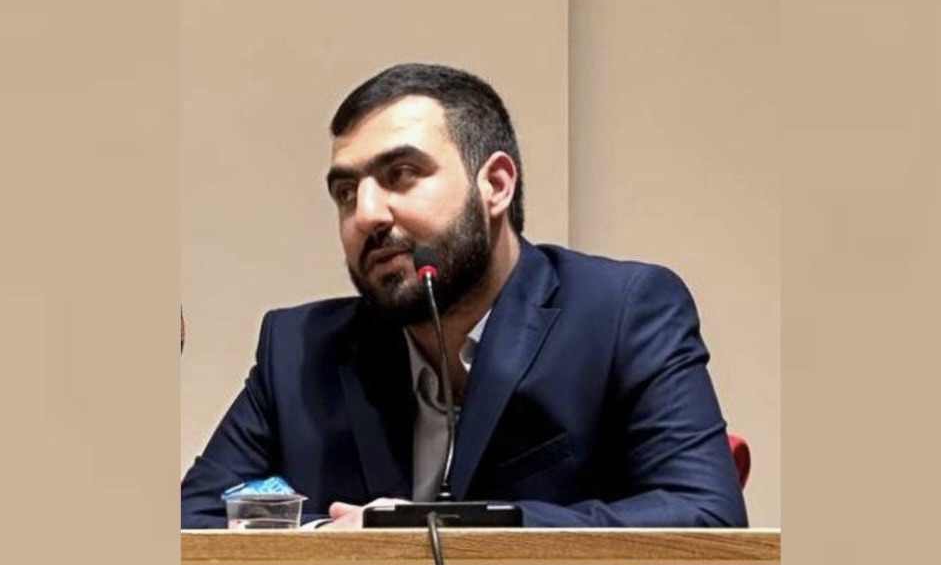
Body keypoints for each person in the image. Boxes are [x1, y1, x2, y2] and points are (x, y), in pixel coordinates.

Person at [181, 63, 748, 529]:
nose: (366, 214)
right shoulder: (298, 350)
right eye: (346, 191)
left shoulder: (621, 312)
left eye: (401, 174)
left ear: (495, 185)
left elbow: (705, 515)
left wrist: (436, 531)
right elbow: (191, 523)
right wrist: (328, 542)